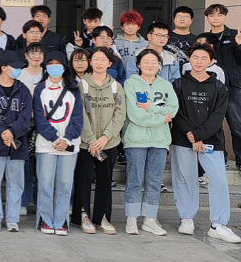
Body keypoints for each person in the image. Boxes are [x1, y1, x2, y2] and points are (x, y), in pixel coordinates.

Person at [171, 43, 240, 243]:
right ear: (189, 59)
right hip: (183, 139)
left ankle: (218, 224)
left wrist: (199, 135)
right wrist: (193, 135)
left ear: (211, 61)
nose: (199, 62)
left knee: (219, 180)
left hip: (211, 140)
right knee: (185, 179)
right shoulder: (178, 84)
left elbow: (218, 117)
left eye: (204, 58)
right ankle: (186, 218)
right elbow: (176, 112)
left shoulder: (219, 86)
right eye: (195, 57)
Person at [123, 48, 179, 236]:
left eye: (154, 62)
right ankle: (131, 219)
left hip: (160, 140)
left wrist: (150, 107)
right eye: (146, 62)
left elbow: (173, 109)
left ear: (159, 65)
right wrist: (161, 117)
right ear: (138, 64)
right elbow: (135, 114)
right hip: (136, 139)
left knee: (154, 181)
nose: (150, 65)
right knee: (134, 180)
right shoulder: (131, 83)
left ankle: (149, 220)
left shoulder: (165, 85)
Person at [73, 47, 126, 234]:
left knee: (105, 181)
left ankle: (102, 216)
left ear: (110, 63)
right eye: (95, 59)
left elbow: (120, 114)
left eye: (103, 59)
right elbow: (79, 114)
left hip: (108, 143)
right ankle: (83, 215)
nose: (99, 63)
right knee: (83, 180)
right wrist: (91, 140)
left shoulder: (116, 87)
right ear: (90, 62)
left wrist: (105, 137)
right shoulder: (82, 85)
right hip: (86, 143)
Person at [32, 51, 83, 235]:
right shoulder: (40, 89)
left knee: (65, 184)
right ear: (46, 67)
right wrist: (54, 138)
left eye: (58, 63)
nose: (54, 67)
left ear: (64, 66)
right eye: (50, 64)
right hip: (47, 145)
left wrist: (67, 139)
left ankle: (61, 221)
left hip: (69, 144)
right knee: (45, 183)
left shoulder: (74, 88)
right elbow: (39, 118)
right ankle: (45, 220)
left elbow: (77, 117)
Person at [0, 51, 32, 231]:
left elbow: (26, 116)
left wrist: (12, 132)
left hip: (18, 143)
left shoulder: (23, 90)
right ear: (3, 68)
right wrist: (4, 133)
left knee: (16, 182)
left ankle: (12, 218)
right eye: (14, 66)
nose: (18, 69)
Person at [204, 4, 241, 169]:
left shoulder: (234, 35)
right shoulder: (204, 38)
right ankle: (220, 158)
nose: (215, 18)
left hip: (233, 85)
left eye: (219, 15)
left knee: (237, 123)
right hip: (210, 85)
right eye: (212, 15)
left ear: (225, 16)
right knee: (214, 124)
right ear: (207, 18)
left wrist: (239, 45)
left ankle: (240, 159)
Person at [18, 43, 46, 216]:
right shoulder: (20, 75)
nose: (36, 56)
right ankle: (24, 201)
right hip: (25, 125)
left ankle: (40, 200)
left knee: (43, 165)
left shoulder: (48, 73)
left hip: (45, 125)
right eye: (33, 53)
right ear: (26, 55)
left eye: (40, 53)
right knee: (26, 165)